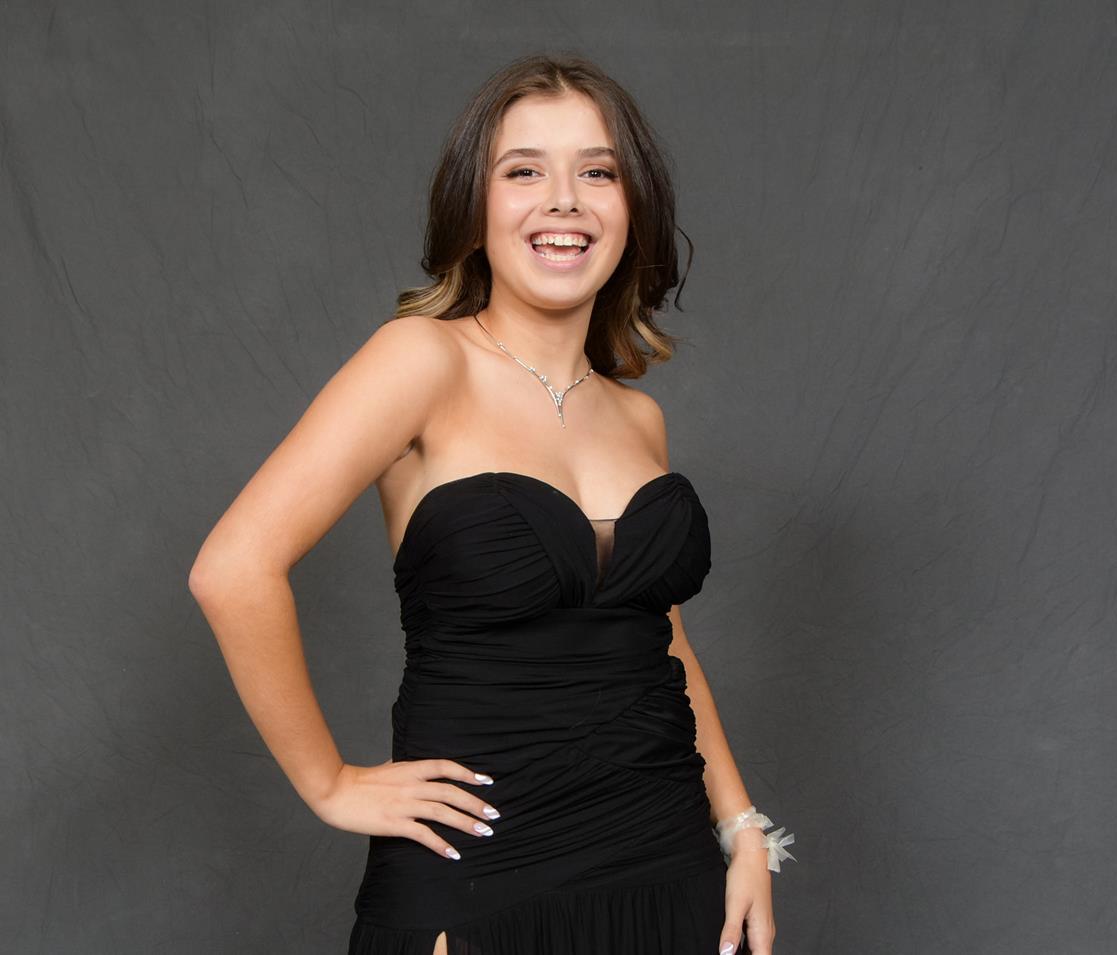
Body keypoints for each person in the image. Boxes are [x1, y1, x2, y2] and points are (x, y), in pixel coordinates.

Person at [188, 52, 795, 955]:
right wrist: (330, 783)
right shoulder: (420, 360)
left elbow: (659, 637)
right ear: (473, 209)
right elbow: (233, 570)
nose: (564, 201)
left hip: (665, 855)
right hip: (477, 867)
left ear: (634, 207)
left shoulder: (638, 416)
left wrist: (742, 828)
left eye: (598, 172)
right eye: (524, 172)